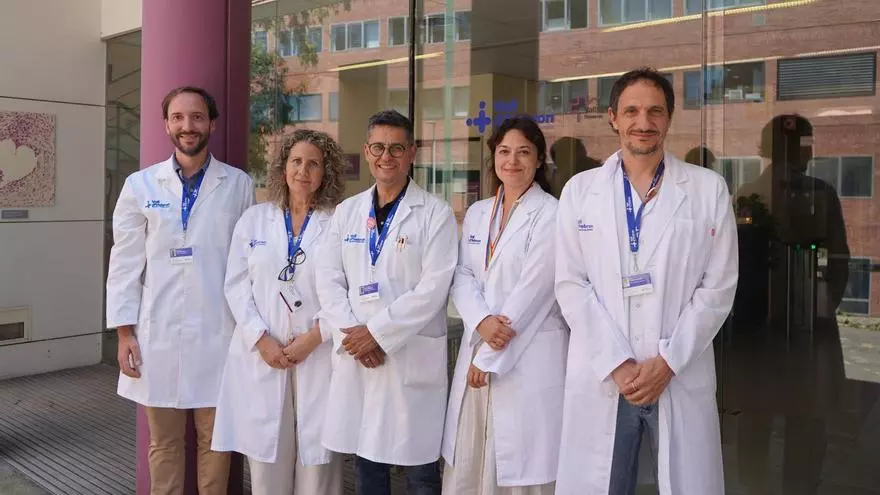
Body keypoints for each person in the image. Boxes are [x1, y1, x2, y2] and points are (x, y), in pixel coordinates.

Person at [554, 67, 739, 495]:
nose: (644, 122)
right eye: (632, 111)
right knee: (603, 484)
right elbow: (570, 284)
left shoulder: (707, 189)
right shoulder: (579, 192)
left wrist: (669, 362)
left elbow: (718, 287)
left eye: (655, 111)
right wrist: (617, 363)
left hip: (677, 371)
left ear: (669, 118)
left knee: (685, 481)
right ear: (613, 117)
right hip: (605, 373)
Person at [106, 86, 255, 494]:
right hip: (158, 335)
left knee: (216, 442)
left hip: (219, 334)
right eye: (178, 117)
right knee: (164, 444)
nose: (188, 126)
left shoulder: (238, 185)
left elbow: (249, 264)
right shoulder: (141, 186)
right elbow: (124, 263)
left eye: (197, 117)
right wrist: (124, 332)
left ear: (212, 124)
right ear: (166, 125)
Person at [316, 109, 458, 495]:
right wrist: (355, 335)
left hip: (407, 356)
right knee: (367, 464)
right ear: (366, 151)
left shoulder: (436, 213)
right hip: (360, 357)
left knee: (420, 471)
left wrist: (376, 334)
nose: (386, 156)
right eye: (378, 147)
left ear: (412, 152)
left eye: (396, 148)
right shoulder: (347, 212)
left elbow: (433, 289)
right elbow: (328, 279)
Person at [211, 129, 347, 495]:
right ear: (283, 167)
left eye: (314, 164)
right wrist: (260, 338)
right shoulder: (254, 220)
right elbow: (235, 284)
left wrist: (316, 336)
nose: (303, 171)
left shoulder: (339, 222)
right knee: (266, 460)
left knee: (319, 462)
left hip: (318, 352)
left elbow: (347, 289)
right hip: (265, 353)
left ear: (326, 173)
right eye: (296, 161)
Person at [441, 115, 568, 494]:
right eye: (504, 151)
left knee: (520, 468)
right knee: (471, 463)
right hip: (479, 346)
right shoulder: (479, 212)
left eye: (523, 152)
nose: (512, 161)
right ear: (493, 156)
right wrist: (481, 322)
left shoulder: (552, 213)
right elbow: (461, 274)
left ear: (539, 159)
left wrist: (488, 355)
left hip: (524, 354)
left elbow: (535, 290)